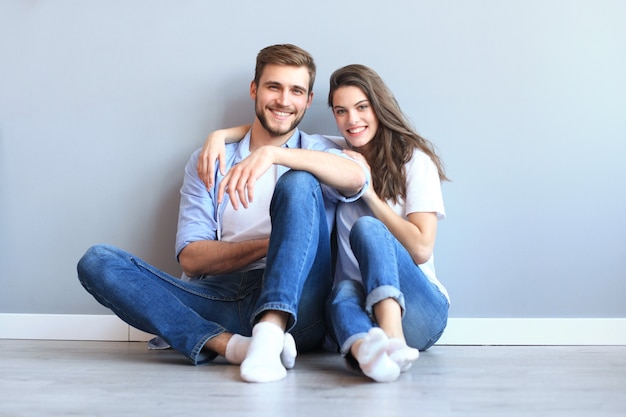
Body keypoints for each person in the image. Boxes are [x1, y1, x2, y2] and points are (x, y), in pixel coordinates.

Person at [77, 44, 367, 383]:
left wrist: (274, 156)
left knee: (299, 182)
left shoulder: (320, 150)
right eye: (274, 87)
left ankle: (271, 331)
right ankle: (235, 347)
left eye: (296, 91)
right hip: (222, 297)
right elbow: (192, 259)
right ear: (254, 89)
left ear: (307, 99)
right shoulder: (211, 159)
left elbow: (356, 178)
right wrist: (280, 240)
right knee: (96, 261)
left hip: (300, 307)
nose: (284, 100)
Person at [199, 64, 449, 383]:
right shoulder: (334, 153)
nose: (352, 121)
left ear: (380, 106)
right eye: (341, 111)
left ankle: (395, 340)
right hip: (361, 310)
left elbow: (421, 248)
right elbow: (275, 131)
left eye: (362, 107)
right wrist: (219, 135)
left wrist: (369, 195)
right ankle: (367, 355)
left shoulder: (414, 160)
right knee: (341, 293)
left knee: (368, 228)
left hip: (419, 309)